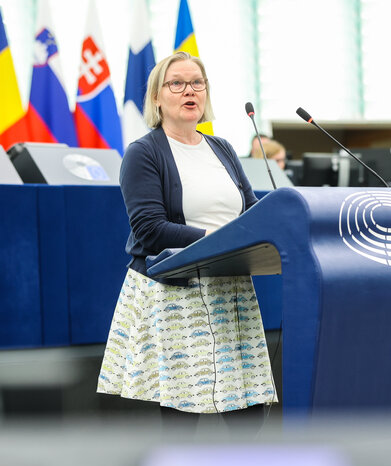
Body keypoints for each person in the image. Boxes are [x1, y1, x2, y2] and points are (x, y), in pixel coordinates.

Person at [96, 52, 276, 427]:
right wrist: (218, 239)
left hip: (231, 289)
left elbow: (251, 211)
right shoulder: (144, 153)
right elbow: (149, 228)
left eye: (197, 82)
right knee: (185, 407)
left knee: (247, 405)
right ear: (157, 98)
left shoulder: (222, 148)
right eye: (176, 83)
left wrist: (274, 226)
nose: (189, 90)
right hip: (177, 292)